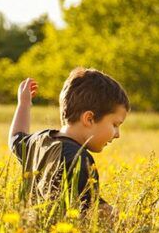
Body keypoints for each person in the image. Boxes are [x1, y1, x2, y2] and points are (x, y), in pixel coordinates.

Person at [8, 67, 129, 219]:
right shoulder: (77, 158)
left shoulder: (39, 142)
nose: (117, 134)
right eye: (115, 125)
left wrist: (24, 104)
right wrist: (126, 222)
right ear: (89, 119)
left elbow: (15, 138)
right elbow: (92, 209)